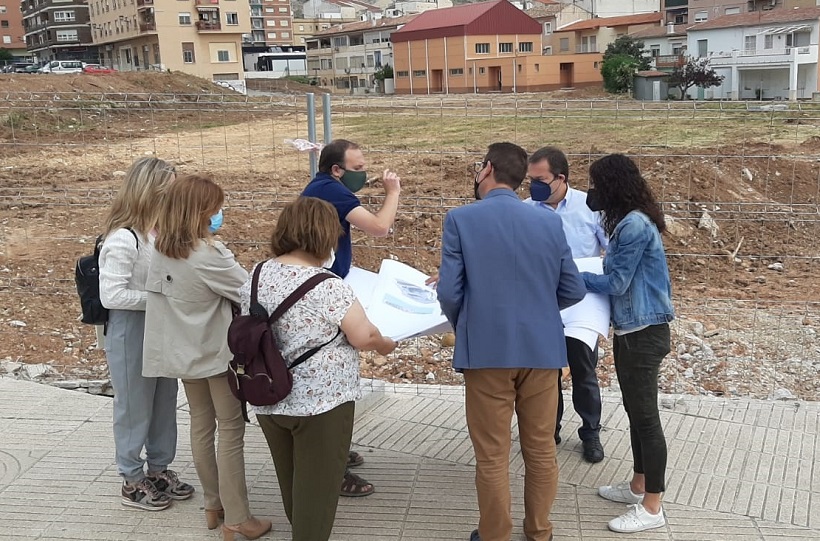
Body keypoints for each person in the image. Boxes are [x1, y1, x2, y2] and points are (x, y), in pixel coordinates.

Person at [437, 143, 587, 541]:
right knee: (540, 449)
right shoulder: (548, 221)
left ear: (487, 169)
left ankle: (495, 535)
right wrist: (537, 307)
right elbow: (572, 289)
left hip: (486, 352)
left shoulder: (460, 219)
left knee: (491, 455)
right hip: (542, 350)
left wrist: (468, 321)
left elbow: (450, 292)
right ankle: (539, 532)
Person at [244, 196, 397, 541]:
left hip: (268, 392)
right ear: (324, 236)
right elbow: (362, 335)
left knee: (291, 478)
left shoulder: (256, 274)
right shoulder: (328, 286)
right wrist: (385, 343)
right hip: (322, 402)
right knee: (318, 488)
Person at [142, 174, 272, 540]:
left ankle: (213, 504)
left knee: (201, 425)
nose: (220, 212)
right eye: (215, 207)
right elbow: (249, 289)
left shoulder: (161, 249)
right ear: (200, 212)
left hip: (182, 352)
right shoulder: (208, 255)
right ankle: (238, 518)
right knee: (230, 430)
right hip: (216, 353)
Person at [579, 154, 675, 534]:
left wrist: (573, 277)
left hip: (643, 333)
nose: (593, 192)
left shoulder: (634, 225)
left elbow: (617, 283)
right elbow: (614, 270)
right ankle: (639, 486)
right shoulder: (630, 221)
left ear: (614, 186)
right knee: (637, 413)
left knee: (646, 419)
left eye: (598, 184)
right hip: (633, 330)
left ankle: (653, 508)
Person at [301, 138, 401, 497]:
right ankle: (332, 466)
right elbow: (379, 227)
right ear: (337, 169)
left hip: (329, 283)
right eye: (358, 168)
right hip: (327, 292)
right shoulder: (334, 191)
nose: (365, 174)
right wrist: (392, 192)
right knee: (333, 381)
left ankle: (335, 452)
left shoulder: (319, 187)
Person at [99, 156, 193, 510]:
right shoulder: (123, 240)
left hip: (159, 328)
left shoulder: (156, 235)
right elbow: (113, 295)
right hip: (131, 329)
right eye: (168, 190)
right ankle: (131, 477)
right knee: (134, 405)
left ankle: (159, 468)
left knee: (164, 401)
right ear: (150, 192)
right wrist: (162, 299)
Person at [523, 146, 608, 463]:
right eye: (531, 180)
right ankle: (549, 429)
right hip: (541, 301)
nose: (534, 186)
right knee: (544, 371)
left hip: (582, 302)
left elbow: (611, 252)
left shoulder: (589, 208)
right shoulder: (526, 210)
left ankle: (590, 432)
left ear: (561, 178)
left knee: (583, 369)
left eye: (540, 179)